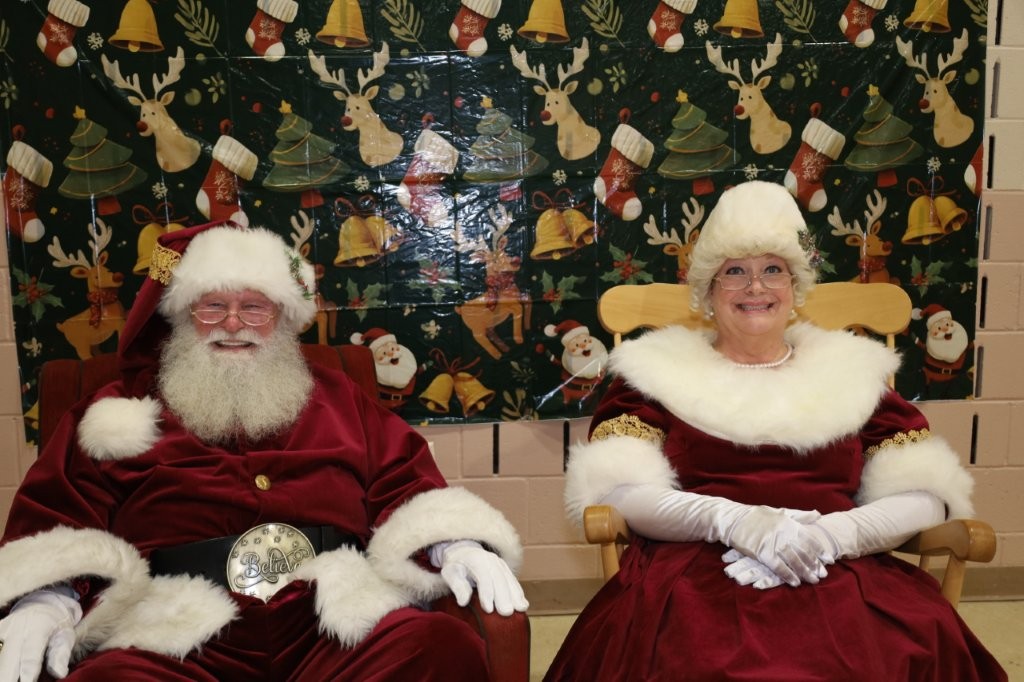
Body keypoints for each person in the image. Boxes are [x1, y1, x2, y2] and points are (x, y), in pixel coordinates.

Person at [0, 221, 528, 681]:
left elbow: (404, 480)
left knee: (439, 647)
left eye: (253, 307)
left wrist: (453, 545)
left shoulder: (337, 396)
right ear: (181, 315)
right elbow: (61, 513)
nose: (233, 324)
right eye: (213, 306)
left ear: (281, 316)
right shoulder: (112, 414)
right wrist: (48, 598)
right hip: (178, 635)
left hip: (332, 620)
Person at [545, 181, 1006, 681]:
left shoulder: (851, 373)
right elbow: (617, 490)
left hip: (838, 565)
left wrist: (837, 535)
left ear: (795, 286)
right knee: (691, 658)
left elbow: (927, 494)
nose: (755, 287)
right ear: (708, 290)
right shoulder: (655, 375)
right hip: (695, 570)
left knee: (894, 650)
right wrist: (730, 521)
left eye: (772, 270)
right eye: (734, 272)